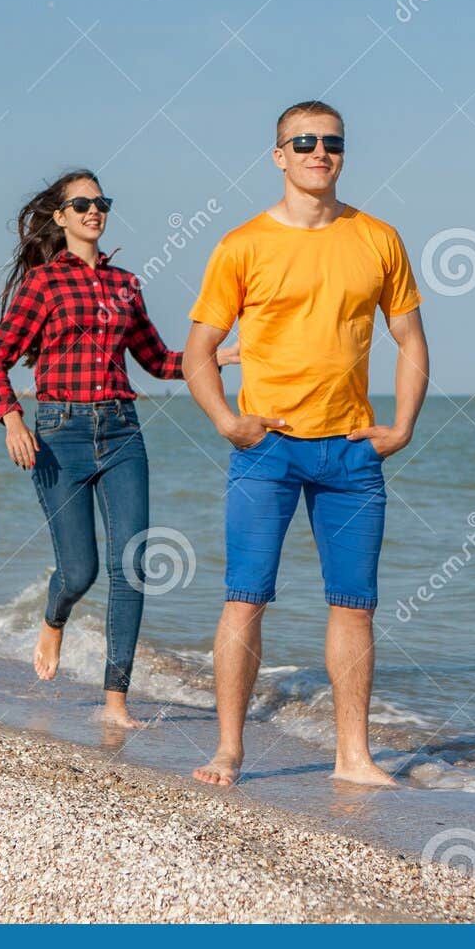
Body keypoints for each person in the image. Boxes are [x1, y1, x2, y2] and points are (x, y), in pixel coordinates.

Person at [182, 100, 430, 786]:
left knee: (355, 605)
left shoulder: (378, 238)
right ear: (279, 155)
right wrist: (229, 423)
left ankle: (354, 755)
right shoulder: (242, 244)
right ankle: (229, 749)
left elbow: (410, 338)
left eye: (331, 143)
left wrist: (403, 424)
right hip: (268, 447)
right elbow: (196, 352)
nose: (319, 152)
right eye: (305, 142)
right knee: (246, 596)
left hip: (351, 452)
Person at [0, 169, 237, 728]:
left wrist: (213, 357)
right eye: (82, 203)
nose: (95, 211)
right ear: (61, 216)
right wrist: (12, 420)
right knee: (79, 572)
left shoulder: (126, 285)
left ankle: (115, 701)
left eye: (102, 202)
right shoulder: (43, 285)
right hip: (58, 437)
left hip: (123, 433)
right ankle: (54, 618)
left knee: (134, 566)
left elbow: (158, 359)